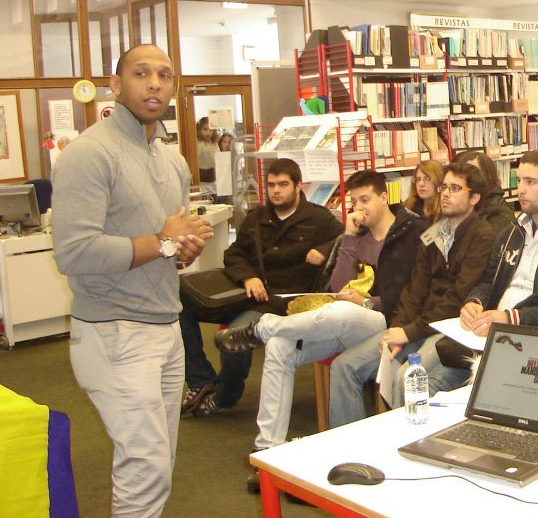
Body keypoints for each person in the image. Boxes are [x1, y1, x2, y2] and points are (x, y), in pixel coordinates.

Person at [52, 44, 214, 517]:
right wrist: (164, 242)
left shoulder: (172, 160)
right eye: (141, 73)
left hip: (166, 327)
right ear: (116, 83)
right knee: (145, 465)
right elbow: (75, 252)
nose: (155, 84)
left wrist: (183, 250)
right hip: (113, 332)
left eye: (165, 75)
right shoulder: (89, 153)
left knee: (157, 463)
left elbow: (168, 246)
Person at [214, 169, 427, 490]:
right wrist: (349, 238)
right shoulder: (356, 237)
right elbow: (337, 285)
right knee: (281, 348)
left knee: (339, 311)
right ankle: (267, 448)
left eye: (366, 200)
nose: (360, 208)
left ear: (385, 198)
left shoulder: (410, 234)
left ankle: (266, 326)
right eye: (354, 201)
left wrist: (369, 303)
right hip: (343, 321)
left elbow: (413, 290)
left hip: (383, 318)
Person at [328, 163, 496, 427]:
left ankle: (402, 445)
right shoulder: (433, 233)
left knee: (406, 377)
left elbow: (456, 300)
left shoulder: (484, 237)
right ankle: (349, 450)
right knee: (344, 367)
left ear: (474, 198)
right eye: (444, 188)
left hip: (449, 328)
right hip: (417, 324)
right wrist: (397, 329)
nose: (446, 194)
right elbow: (414, 289)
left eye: (455, 188)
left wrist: (408, 333)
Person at [179, 158, 343, 417]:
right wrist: (247, 277)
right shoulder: (257, 218)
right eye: (271, 185)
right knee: (180, 299)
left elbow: (346, 242)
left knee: (235, 336)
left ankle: (223, 397)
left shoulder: (319, 219)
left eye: (283, 185)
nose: (276, 191)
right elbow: (234, 254)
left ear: (298, 186)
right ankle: (201, 380)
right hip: (244, 293)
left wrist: (324, 251)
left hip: (280, 303)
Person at [429, 149, 538, 392]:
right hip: (490, 333)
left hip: (537, 343)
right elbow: (488, 282)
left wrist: (510, 318)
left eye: (531, 182)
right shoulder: (510, 233)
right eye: (519, 181)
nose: (521, 190)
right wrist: (474, 302)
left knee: (458, 388)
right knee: (423, 383)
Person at [454, 149, 516, 235]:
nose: (465, 178)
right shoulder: (453, 203)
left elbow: (487, 244)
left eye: (472, 172)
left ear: (487, 176)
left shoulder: (500, 211)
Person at [196, 116, 218, 185]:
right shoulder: (198, 144)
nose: (208, 133)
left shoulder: (214, 143)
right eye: (205, 130)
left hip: (214, 175)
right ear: (199, 130)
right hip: (202, 176)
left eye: (211, 130)